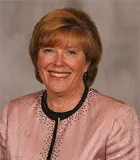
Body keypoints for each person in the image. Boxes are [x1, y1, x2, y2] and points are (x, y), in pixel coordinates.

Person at [0, 7, 140, 160]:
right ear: (37, 59)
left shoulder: (116, 118)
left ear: (87, 62)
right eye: (48, 50)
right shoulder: (13, 114)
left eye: (71, 52)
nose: (58, 62)